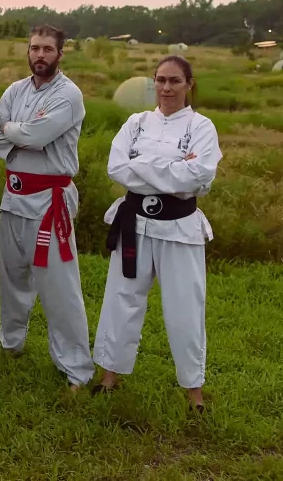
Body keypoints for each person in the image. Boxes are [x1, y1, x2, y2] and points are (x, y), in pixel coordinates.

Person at [92, 55, 221, 411]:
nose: (166, 88)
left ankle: (193, 391)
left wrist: (145, 167)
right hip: (134, 223)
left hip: (179, 229)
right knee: (122, 298)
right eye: (161, 80)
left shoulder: (201, 127)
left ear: (189, 84)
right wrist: (172, 170)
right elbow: (117, 168)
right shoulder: (136, 123)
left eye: (175, 81)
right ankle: (109, 376)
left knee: (185, 308)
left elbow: (198, 177)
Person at [0, 25, 95, 391]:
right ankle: (10, 343)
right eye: (34, 48)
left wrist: (15, 131)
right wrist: (19, 138)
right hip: (14, 195)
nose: (40, 55)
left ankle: (77, 368)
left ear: (60, 54)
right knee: (12, 276)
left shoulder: (69, 95)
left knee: (58, 286)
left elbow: (37, 135)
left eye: (47, 49)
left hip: (50, 200)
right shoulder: (16, 89)